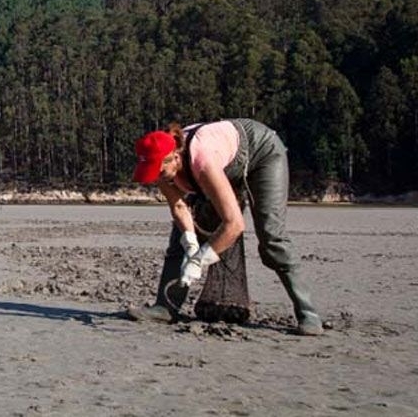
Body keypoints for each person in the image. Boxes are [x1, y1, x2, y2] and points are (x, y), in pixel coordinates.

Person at [127, 118, 324, 335]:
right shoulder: (162, 164)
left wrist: (200, 260)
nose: (156, 177)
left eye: (158, 170)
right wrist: (191, 242)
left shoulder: (201, 161)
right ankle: (165, 308)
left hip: (262, 153)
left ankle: (308, 314)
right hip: (224, 162)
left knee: (272, 239)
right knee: (179, 241)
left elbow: (234, 224)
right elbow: (180, 208)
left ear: (174, 157)